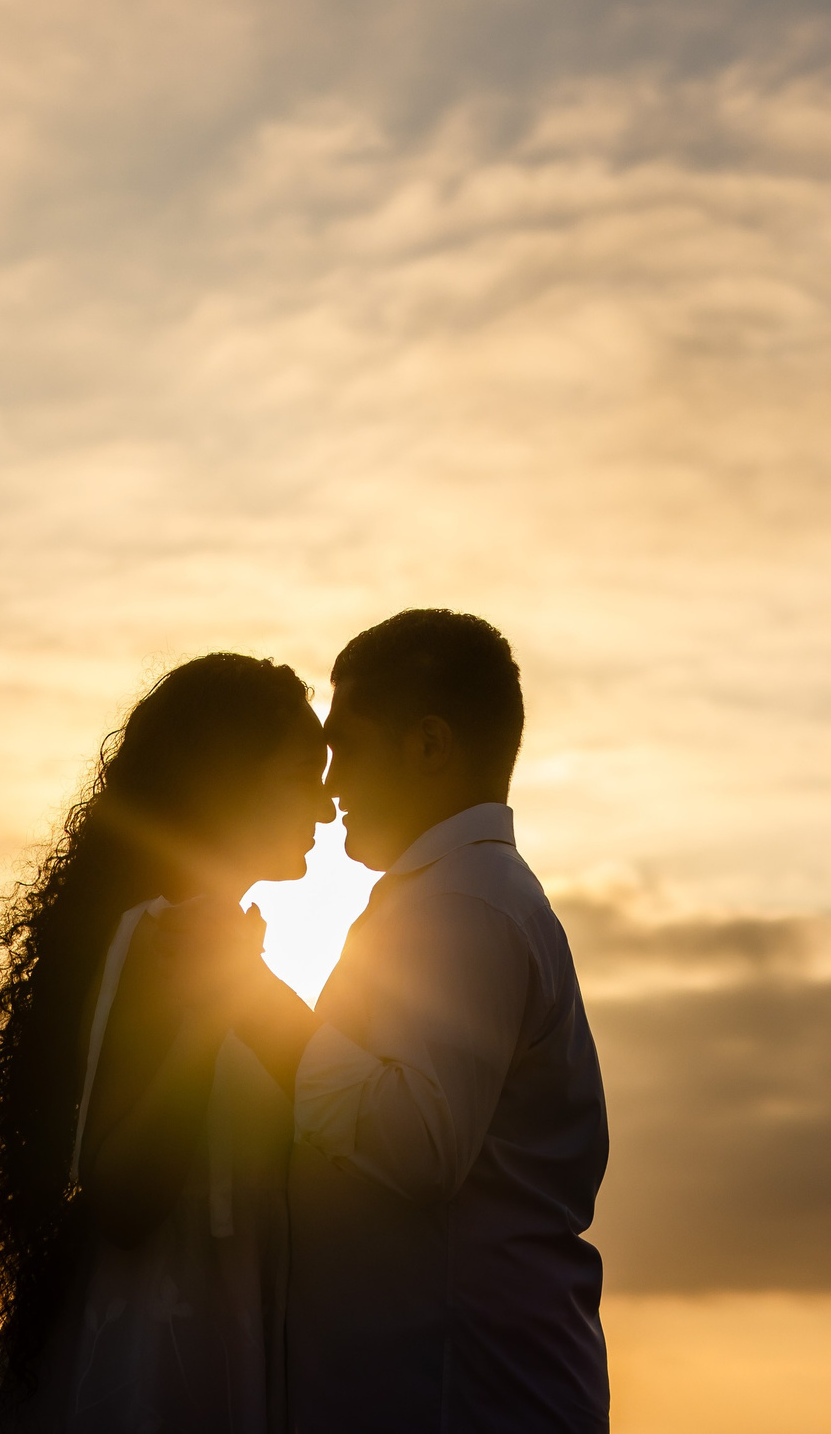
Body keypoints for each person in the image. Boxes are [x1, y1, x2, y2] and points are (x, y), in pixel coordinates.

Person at [0, 653, 331, 1433]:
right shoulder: (165, 940)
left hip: (224, 1327)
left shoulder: (220, 947)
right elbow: (125, 1193)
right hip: (166, 1353)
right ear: (233, 781)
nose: (328, 809)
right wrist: (206, 1016)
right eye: (305, 775)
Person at [232, 609, 611, 1434]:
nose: (330, 785)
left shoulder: (464, 906)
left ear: (429, 745)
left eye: (350, 749)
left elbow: (415, 1140)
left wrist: (258, 1013)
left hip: (458, 1392)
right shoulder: (453, 897)